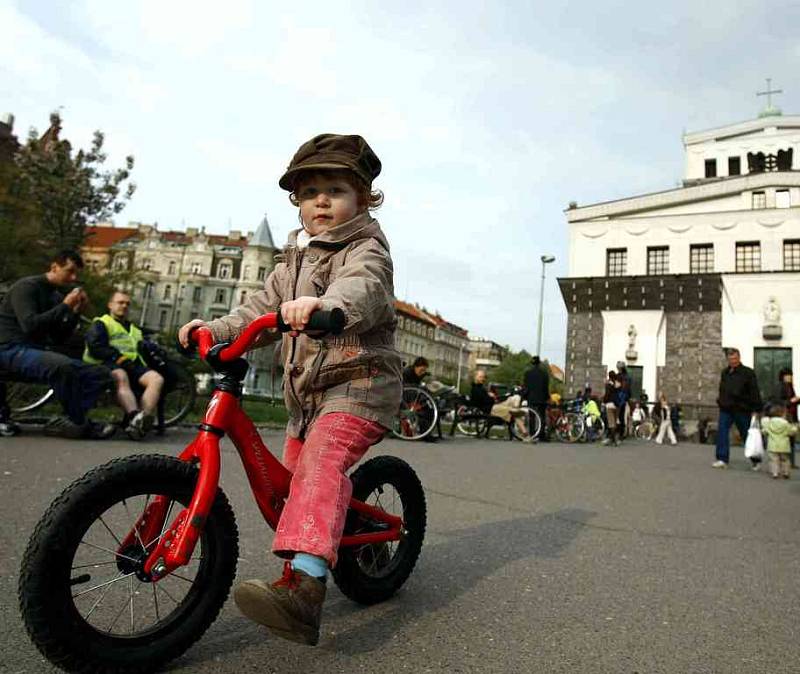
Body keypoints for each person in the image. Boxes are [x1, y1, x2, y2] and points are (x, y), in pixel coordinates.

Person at [177, 133, 400, 646]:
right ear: (297, 202)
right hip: (307, 398)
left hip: (359, 386)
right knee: (298, 481)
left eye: (336, 189)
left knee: (318, 468)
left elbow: (362, 287)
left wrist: (327, 309)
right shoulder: (291, 265)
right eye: (309, 192)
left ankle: (304, 591)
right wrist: (216, 328)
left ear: (364, 198)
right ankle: (355, 548)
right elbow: (256, 308)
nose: (321, 201)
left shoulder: (366, 248)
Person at [0, 250, 114, 439]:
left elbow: (59, 337)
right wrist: (65, 306)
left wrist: (75, 312)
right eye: (69, 271)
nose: (73, 278)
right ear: (54, 267)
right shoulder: (27, 287)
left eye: (76, 273)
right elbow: (30, 325)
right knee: (62, 366)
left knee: (101, 375)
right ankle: (79, 423)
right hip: (9, 348)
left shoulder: (54, 296)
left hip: (33, 351)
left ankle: (66, 421)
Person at [83, 290, 165, 439]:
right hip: (107, 363)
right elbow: (96, 347)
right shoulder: (101, 323)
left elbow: (141, 346)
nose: (124, 306)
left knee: (156, 379)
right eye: (120, 302)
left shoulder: (133, 328)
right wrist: (119, 358)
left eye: (127, 303)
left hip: (132, 365)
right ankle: (134, 416)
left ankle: (139, 422)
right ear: (110, 305)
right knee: (121, 376)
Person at [713, 347, 762, 469]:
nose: (733, 361)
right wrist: (720, 401)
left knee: (746, 434)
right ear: (727, 360)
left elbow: (754, 391)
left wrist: (756, 409)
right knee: (722, 432)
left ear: (739, 358)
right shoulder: (725, 373)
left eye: (735, 358)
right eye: (730, 359)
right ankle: (722, 459)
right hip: (726, 408)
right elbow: (722, 389)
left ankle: (755, 460)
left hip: (742, 408)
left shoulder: (748, 373)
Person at [761, 403, 797, 479]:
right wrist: (795, 428)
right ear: (782, 414)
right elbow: (791, 431)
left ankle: (775, 473)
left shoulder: (769, 423)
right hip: (784, 446)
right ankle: (786, 472)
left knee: (773, 460)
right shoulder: (785, 423)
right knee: (785, 459)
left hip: (772, 445)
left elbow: (764, 431)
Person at [523, 356, 550, 440]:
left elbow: (526, 386)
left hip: (531, 397)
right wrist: (547, 397)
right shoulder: (544, 373)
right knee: (542, 416)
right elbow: (546, 387)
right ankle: (541, 434)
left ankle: (532, 433)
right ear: (539, 363)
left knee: (532, 416)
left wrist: (524, 396)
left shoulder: (528, 373)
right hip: (541, 398)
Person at [778, 368, 798, 468]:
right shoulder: (781, 387)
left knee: (792, 439)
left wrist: (796, 400)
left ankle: (791, 462)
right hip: (786, 416)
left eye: (790, 375)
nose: (789, 377)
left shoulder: (790, 387)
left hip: (793, 415)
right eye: (787, 375)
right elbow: (780, 402)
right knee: (786, 439)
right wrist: (792, 401)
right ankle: (785, 462)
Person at [602, 371, 621, 446]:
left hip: (610, 404)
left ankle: (614, 441)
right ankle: (614, 439)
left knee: (611, 423)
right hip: (617, 405)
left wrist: (604, 401)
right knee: (615, 422)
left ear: (609, 376)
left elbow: (607, 395)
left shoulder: (608, 385)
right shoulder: (617, 384)